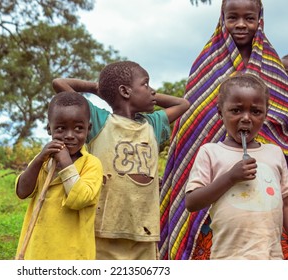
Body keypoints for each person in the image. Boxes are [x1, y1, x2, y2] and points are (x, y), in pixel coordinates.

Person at [160, 0, 288, 260]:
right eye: (233, 18)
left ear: (260, 20)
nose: (241, 25)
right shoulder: (206, 64)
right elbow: (195, 120)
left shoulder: (274, 67)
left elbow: (281, 114)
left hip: (265, 191)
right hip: (217, 185)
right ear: (222, 19)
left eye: (249, 18)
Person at [52, 61, 190, 260]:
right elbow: (60, 84)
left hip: (144, 229)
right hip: (104, 227)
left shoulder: (152, 124)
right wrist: (99, 89)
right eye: (146, 84)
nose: (153, 91)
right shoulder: (100, 121)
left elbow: (182, 104)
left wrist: (143, 95)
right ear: (125, 91)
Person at [185, 73, 288, 259]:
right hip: (228, 257)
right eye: (236, 110)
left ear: (266, 113)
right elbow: (192, 202)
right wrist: (230, 177)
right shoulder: (210, 152)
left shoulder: (275, 153)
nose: (246, 118)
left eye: (256, 112)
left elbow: (285, 203)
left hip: (271, 257)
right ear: (220, 112)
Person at [15, 91, 104, 260]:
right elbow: (22, 191)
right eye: (61, 128)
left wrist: (66, 164)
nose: (70, 135)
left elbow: (80, 199)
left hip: (72, 254)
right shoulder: (43, 161)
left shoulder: (91, 164)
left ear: (89, 128)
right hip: (37, 250)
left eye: (78, 128)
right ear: (49, 128)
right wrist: (39, 159)